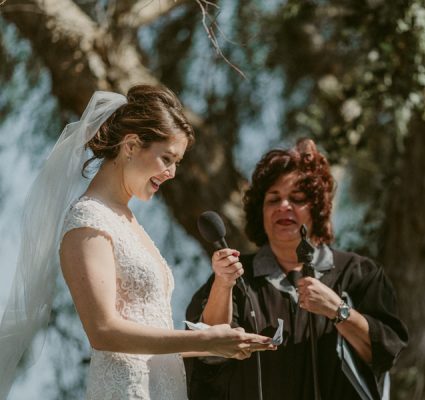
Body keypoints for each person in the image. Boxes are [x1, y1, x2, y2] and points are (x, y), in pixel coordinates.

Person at [0, 85, 274, 400]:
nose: (172, 173)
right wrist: (207, 342)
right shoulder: (88, 221)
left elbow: (155, 336)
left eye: (177, 163)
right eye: (166, 158)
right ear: (131, 145)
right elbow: (103, 332)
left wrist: (221, 293)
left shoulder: (131, 224)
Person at [184, 138, 408, 400]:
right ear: (261, 211)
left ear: (316, 209)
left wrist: (339, 312)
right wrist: (223, 283)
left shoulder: (360, 273)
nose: (283, 206)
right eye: (273, 199)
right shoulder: (234, 275)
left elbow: (386, 353)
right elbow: (207, 356)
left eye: (297, 198)